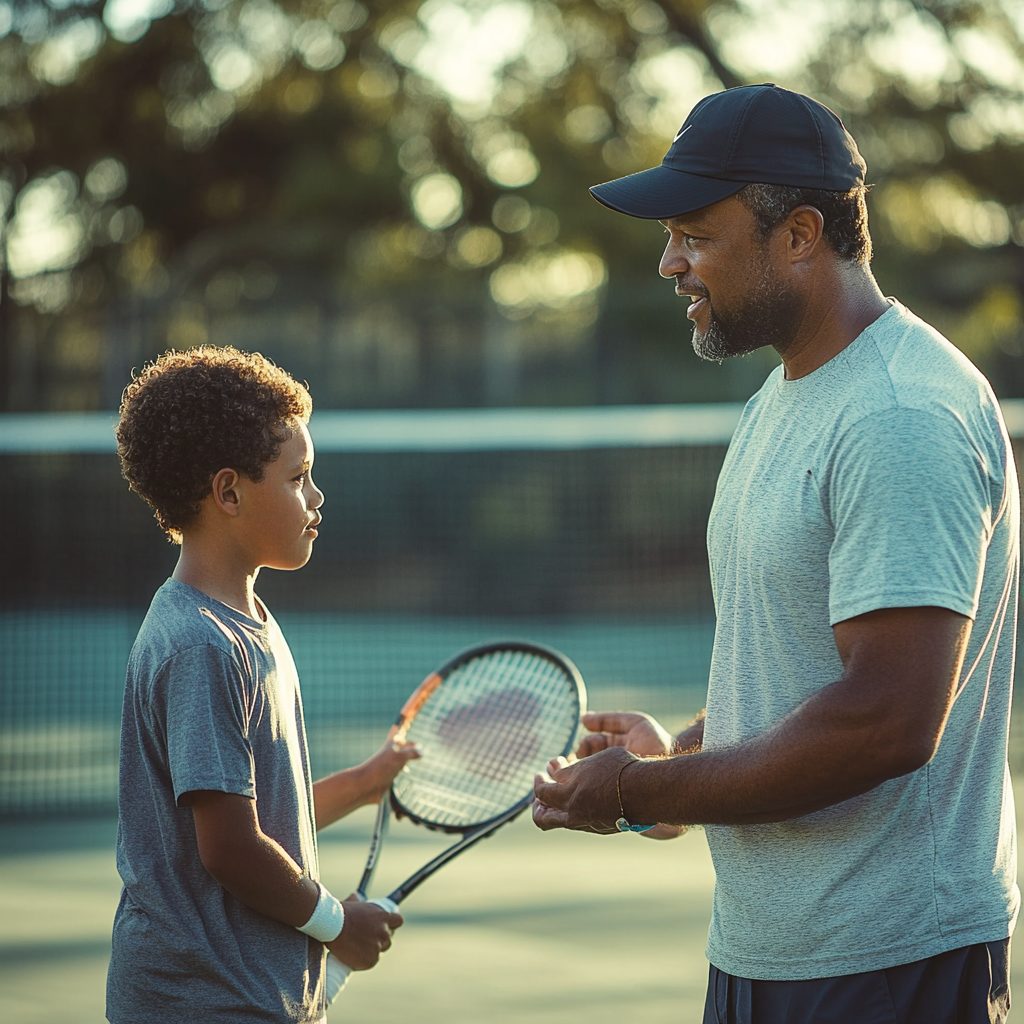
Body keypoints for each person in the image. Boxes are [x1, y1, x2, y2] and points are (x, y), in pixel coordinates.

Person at [532, 84, 1018, 1023]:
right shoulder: (787, 398)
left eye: (695, 234)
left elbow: (885, 718)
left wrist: (637, 786)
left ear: (799, 234)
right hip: (770, 952)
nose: (670, 263)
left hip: (889, 964)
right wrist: (680, 759)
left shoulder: (899, 414)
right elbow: (804, 677)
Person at [107, 346, 416, 1023]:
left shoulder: (246, 623)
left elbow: (250, 814)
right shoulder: (201, 646)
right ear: (228, 492)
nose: (316, 497)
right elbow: (231, 851)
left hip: (245, 995)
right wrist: (339, 924)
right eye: (299, 476)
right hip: (205, 1004)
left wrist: (364, 784)